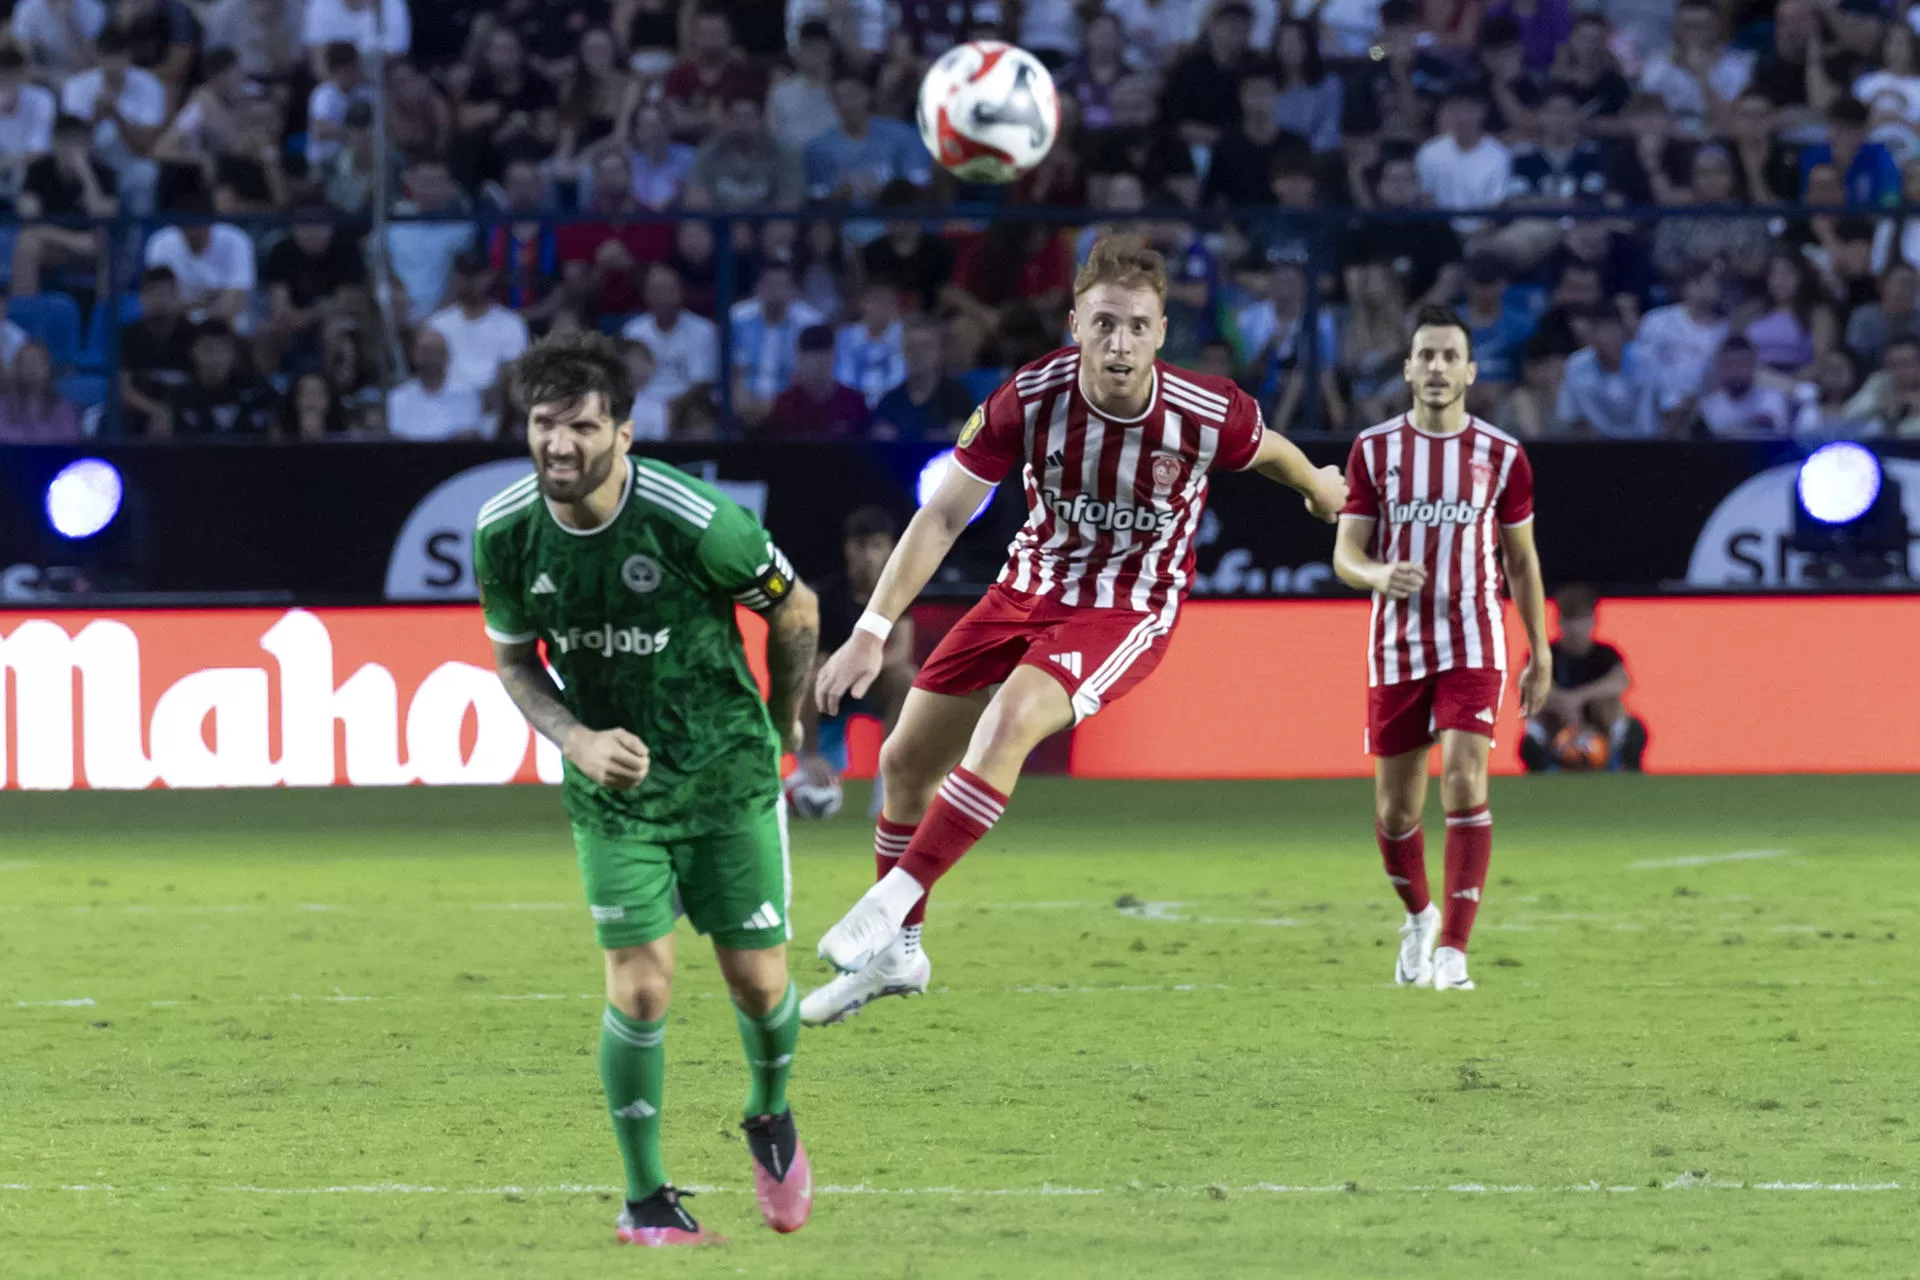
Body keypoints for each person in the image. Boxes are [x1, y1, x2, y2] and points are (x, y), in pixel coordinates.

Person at [801, 234, 1348, 1023]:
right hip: (1029, 583)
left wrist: (1320, 489)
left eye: (1135, 325)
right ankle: (902, 954)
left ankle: (892, 900)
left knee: (1011, 720)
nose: (1118, 342)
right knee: (902, 762)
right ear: (1074, 326)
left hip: (1127, 604)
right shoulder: (1029, 396)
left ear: (1160, 333)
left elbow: (1273, 454)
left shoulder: (1204, 410)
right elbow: (946, 512)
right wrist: (872, 628)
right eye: (1102, 324)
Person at [474, 333, 819, 1247]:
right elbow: (514, 663)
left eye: (581, 427)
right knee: (639, 992)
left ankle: (769, 1114)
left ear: (624, 433)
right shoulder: (503, 531)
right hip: (614, 795)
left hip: (725, 777)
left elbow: (796, 607)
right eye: (544, 424)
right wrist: (578, 739)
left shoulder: (694, 520)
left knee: (756, 985)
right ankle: (646, 1200)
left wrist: (786, 723)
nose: (559, 445)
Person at [1331, 305, 1551, 993]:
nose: (1435, 368)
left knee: (1463, 778)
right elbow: (1346, 553)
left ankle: (1455, 951)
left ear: (1470, 371)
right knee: (1397, 812)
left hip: (1474, 639)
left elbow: (1521, 560)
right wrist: (1376, 574)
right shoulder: (1374, 450)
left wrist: (1539, 649)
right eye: (1424, 355)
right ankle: (1420, 916)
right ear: (1407, 369)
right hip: (1396, 645)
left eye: (1448, 356)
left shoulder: (1502, 455)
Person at [794, 507, 920, 823]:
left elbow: (902, 651)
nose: (869, 556)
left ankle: (889, 781)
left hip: (871, 684)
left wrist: (862, 663)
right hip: (829, 694)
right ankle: (808, 759)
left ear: (891, 549)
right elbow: (810, 661)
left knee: (906, 678)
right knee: (808, 677)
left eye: (878, 547)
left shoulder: (897, 592)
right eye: (861, 547)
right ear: (848, 549)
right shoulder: (824, 596)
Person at [1519, 585, 1648, 773]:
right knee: (1535, 709)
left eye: (1582, 620)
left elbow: (1621, 681)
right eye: (1571, 620)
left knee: (1612, 706)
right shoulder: (1545, 655)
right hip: (1558, 723)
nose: (1576, 629)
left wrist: (1579, 697)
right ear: (1560, 622)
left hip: (1597, 723)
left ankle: (1621, 762)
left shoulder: (1605, 655)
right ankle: (1541, 761)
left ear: (1593, 622)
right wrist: (1560, 701)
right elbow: (1525, 684)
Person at [872, 316, 974, 440]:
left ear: (940, 352)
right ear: (903, 352)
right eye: (911, 348)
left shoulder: (958, 397)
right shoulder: (889, 402)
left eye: (925, 347)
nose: (917, 354)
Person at [766, 323, 870, 439]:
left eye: (824, 358)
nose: (818, 364)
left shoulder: (853, 402)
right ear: (800, 358)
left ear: (834, 357)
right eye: (812, 358)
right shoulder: (786, 404)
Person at [385, 326, 485, 440]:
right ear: (414, 355)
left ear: (447, 356)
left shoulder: (467, 393)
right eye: (426, 351)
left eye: (438, 352)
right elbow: (398, 437)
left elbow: (467, 434)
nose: (432, 358)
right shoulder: (398, 396)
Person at [1694, 335, 1791, 436]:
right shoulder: (1706, 408)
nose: (1736, 371)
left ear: (1753, 365)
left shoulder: (1773, 400)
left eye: (1742, 364)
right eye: (1729, 365)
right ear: (1718, 367)